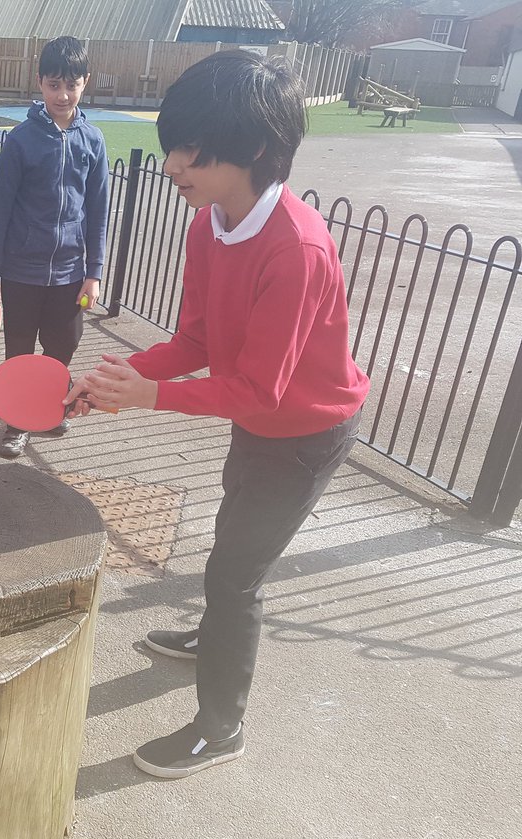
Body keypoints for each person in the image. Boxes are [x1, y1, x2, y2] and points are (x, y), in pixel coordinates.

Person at [65, 50, 370, 779]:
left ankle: (221, 726)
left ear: (255, 149)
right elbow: (197, 341)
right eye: (173, 145)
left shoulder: (297, 249)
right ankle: (212, 636)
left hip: (305, 433)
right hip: (262, 423)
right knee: (233, 534)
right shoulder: (210, 222)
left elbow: (262, 391)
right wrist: (124, 374)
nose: (172, 165)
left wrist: (151, 397)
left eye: (192, 151)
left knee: (236, 577)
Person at [0, 35, 108, 460]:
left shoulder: (93, 141)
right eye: (54, 84)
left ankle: (49, 412)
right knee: (19, 350)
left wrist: (94, 272)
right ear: (40, 83)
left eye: (71, 85)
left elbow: (98, 210)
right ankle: (17, 424)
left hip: (71, 273)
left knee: (63, 346)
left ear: (84, 83)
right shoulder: (20, 141)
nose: (62, 94)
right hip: (20, 271)